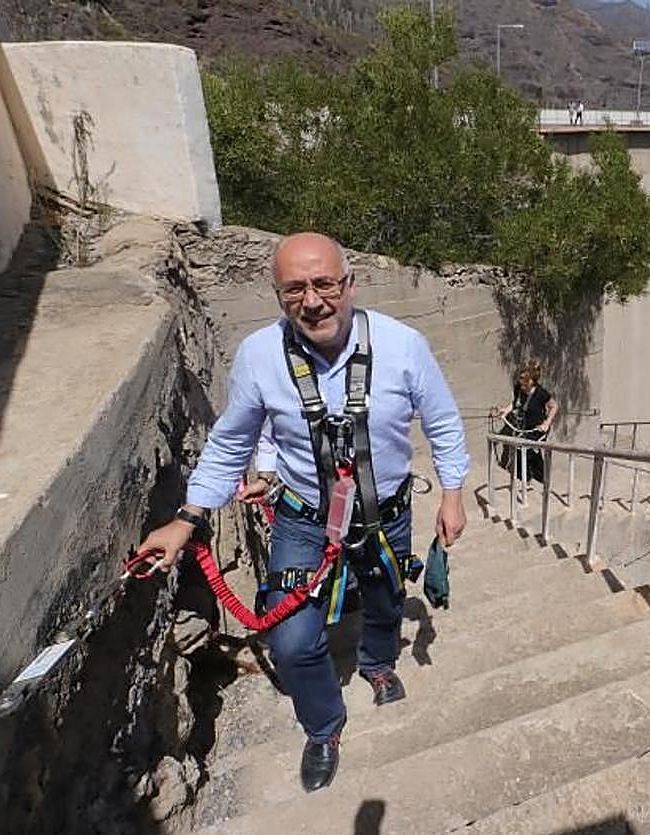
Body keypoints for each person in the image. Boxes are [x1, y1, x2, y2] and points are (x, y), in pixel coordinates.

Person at [138, 232, 469, 793]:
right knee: (290, 641)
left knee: (386, 597)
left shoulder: (402, 346)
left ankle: (377, 662)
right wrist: (185, 518)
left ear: (349, 285)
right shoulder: (261, 357)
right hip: (305, 518)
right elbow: (229, 444)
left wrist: (453, 493)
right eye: (295, 289)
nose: (312, 300)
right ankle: (322, 726)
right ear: (278, 295)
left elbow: (442, 421)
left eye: (324, 284)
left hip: (383, 513)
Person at [496, 361, 559, 488]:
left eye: (524, 380)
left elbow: (554, 406)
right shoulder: (519, 389)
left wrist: (546, 423)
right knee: (519, 452)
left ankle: (541, 479)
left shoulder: (541, 393)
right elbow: (515, 403)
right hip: (522, 427)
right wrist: (505, 410)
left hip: (537, 429)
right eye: (520, 379)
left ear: (531, 381)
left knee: (531, 453)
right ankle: (524, 480)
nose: (521, 383)